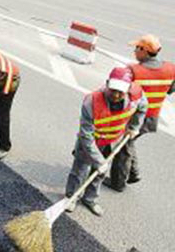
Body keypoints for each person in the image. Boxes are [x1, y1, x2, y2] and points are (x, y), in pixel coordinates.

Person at [65, 68, 147, 216]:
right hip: (90, 141)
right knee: (80, 170)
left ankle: (89, 199)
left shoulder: (136, 97)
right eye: (113, 90)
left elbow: (142, 108)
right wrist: (98, 160)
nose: (116, 95)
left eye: (120, 92)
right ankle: (72, 197)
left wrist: (134, 127)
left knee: (100, 173)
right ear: (108, 83)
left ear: (128, 89)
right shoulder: (92, 101)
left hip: (111, 141)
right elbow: (86, 135)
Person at [105, 34, 175, 192]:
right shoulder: (171, 68)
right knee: (128, 142)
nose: (134, 51)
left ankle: (118, 183)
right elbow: (170, 90)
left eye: (137, 48)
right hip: (151, 118)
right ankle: (133, 172)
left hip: (133, 117)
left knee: (123, 148)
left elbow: (119, 93)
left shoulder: (133, 70)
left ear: (145, 50)